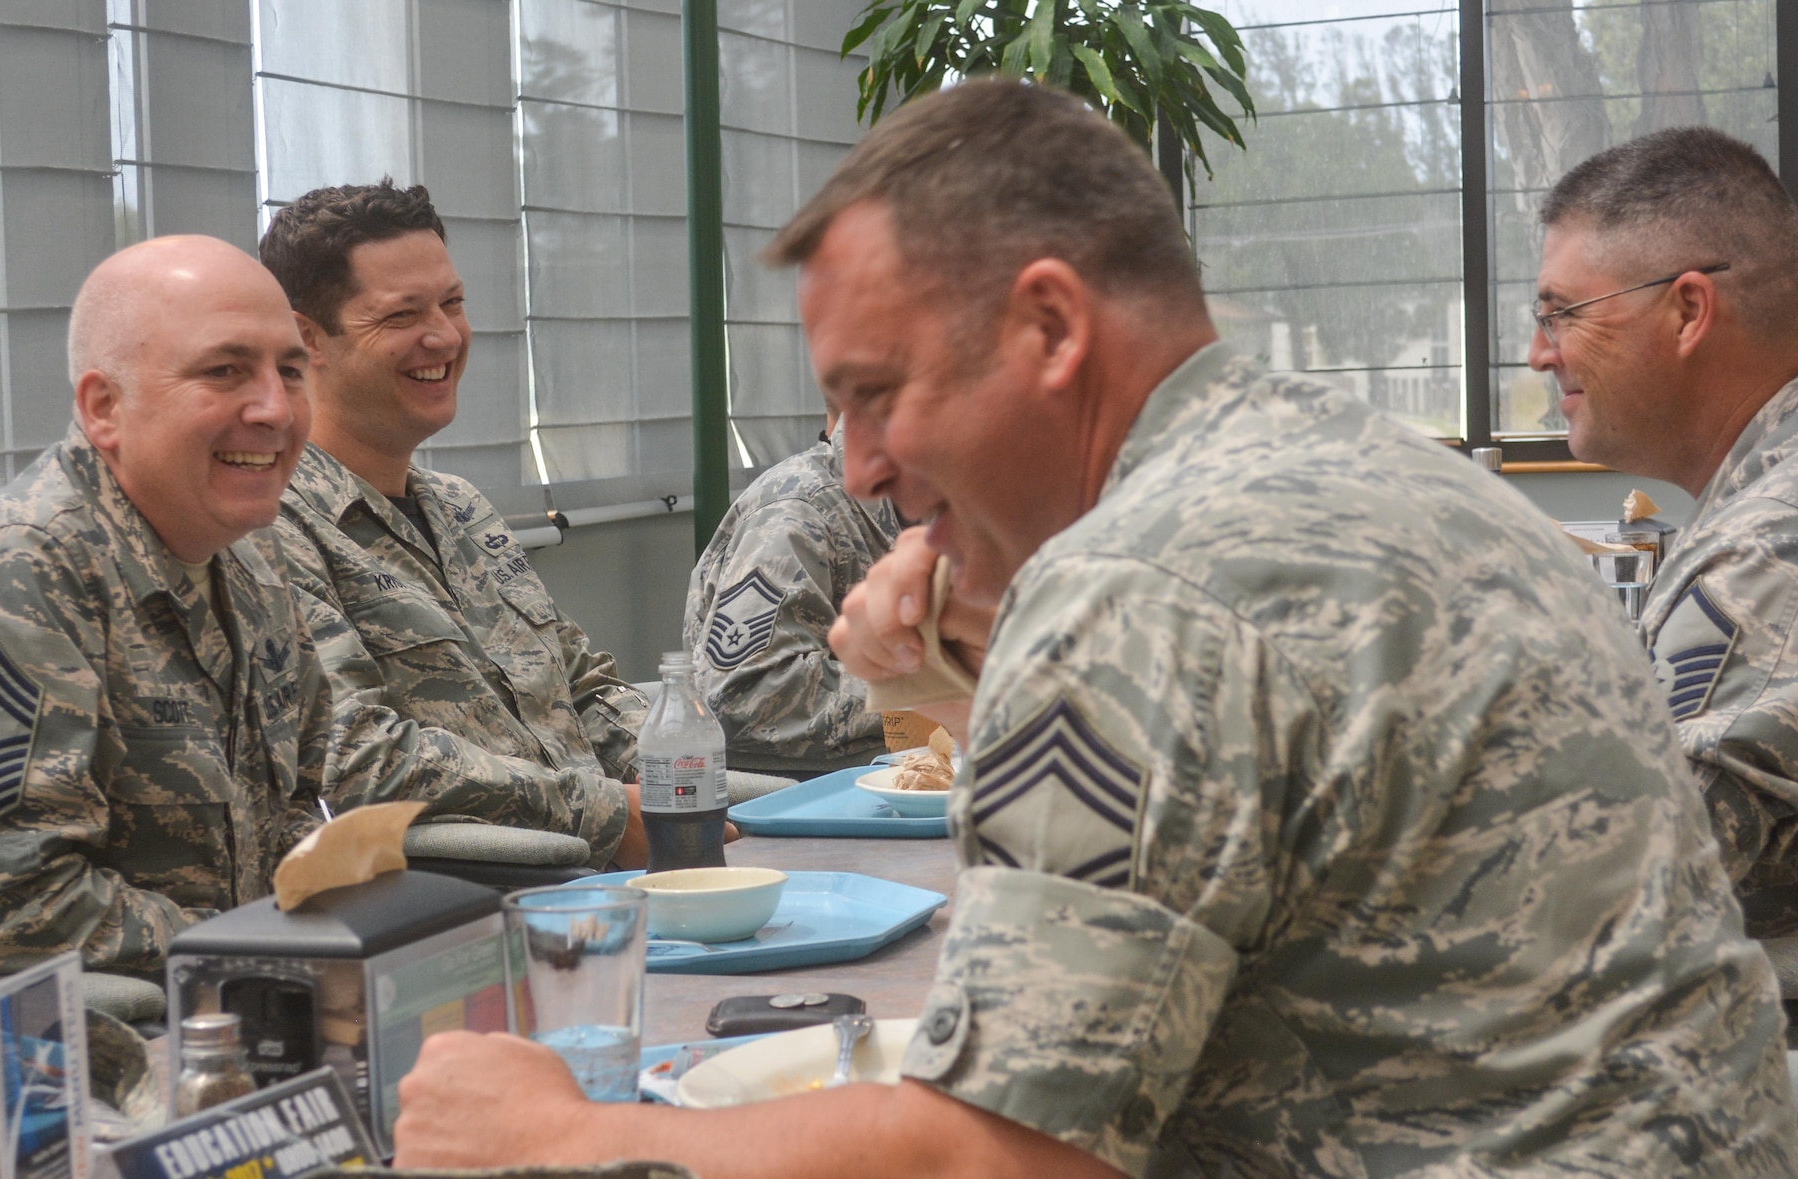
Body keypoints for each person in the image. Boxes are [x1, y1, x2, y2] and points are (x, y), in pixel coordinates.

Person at [392, 83, 1795, 1177]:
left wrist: (563, 1135)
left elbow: (1009, 1147)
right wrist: (967, 678)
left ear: (1050, 328)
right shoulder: (1392, 472)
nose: (863, 464)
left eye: (879, 391)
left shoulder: (1138, 580)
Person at [0, 236, 338, 977]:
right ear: (104, 407)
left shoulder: (249, 561)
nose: (275, 408)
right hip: (54, 1053)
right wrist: (255, 949)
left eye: (291, 370)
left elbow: (300, 805)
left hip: (229, 1009)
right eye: (226, 370)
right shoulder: (15, 574)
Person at [260, 182, 649, 870]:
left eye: (453, 303)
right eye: (402, 315)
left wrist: (686, 766)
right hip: (486, 901)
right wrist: (607, 814)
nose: (443, 335)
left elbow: (584, 686)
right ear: (306, 338)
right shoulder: (274, 528)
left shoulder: (460, 506)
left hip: (618, 865)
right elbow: (360, 757)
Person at [1528, 127, 1798, 935]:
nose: (1540, 354)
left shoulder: (1764, 557)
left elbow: (1600, 883)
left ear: (1688, 310)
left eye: (1562, 314)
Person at [683, 412, 901, 774]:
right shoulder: (798, 510)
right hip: (816, 800)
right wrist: (935, 690)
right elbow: (747, 696)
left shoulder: (960, 505)